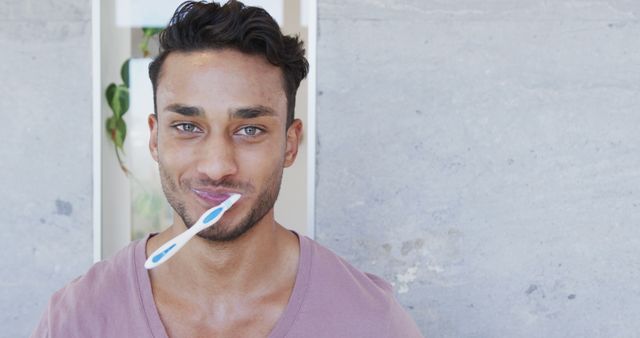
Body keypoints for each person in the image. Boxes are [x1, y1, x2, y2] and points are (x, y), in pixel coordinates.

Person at [32, 1, 423, 337]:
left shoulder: (372, 322)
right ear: (154, 138)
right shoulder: (76, 320)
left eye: (250, 130)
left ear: (290, 144)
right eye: (187, 127)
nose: (217, 167)